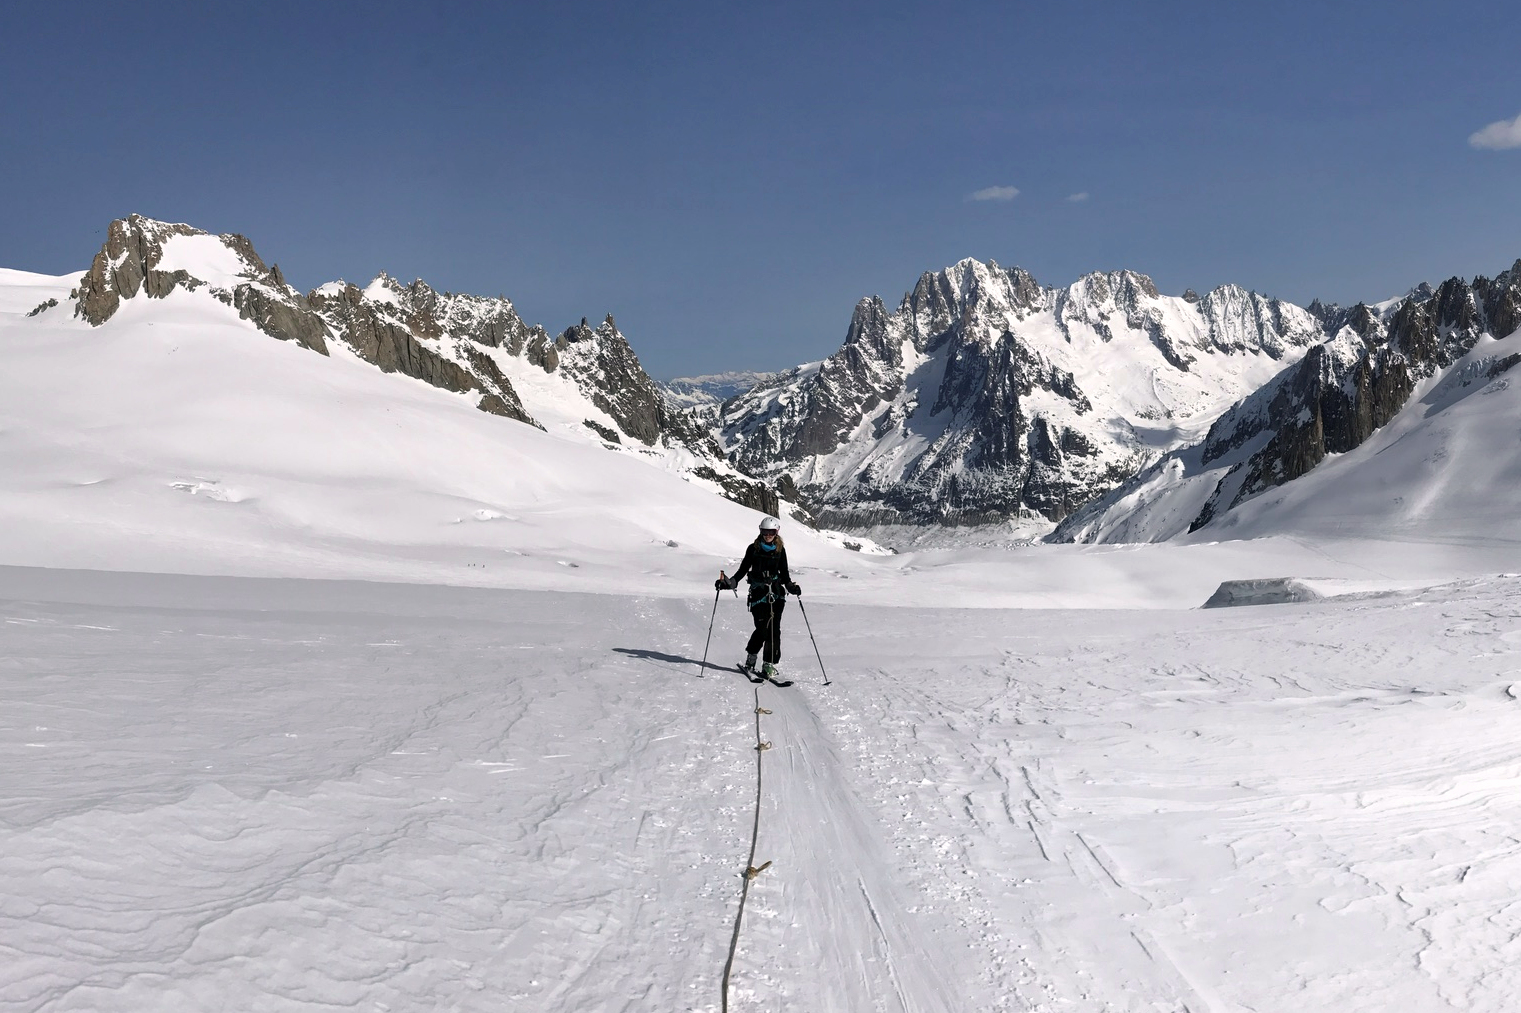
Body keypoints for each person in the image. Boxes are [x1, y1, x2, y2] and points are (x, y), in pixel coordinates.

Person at [715, 515, 801, 680]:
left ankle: (769, 663)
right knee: (762, 630)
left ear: (777, 532)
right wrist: (729, 583)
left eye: (771, 531)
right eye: (765, 531)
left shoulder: (780, 550)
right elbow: (742, 571)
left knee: (774, 631)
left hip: (776, 595)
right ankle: (751, 657)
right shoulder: (752, 549)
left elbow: (784, 573)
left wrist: (791, 587)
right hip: (758, 595)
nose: (768, 534)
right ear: (760, 531)